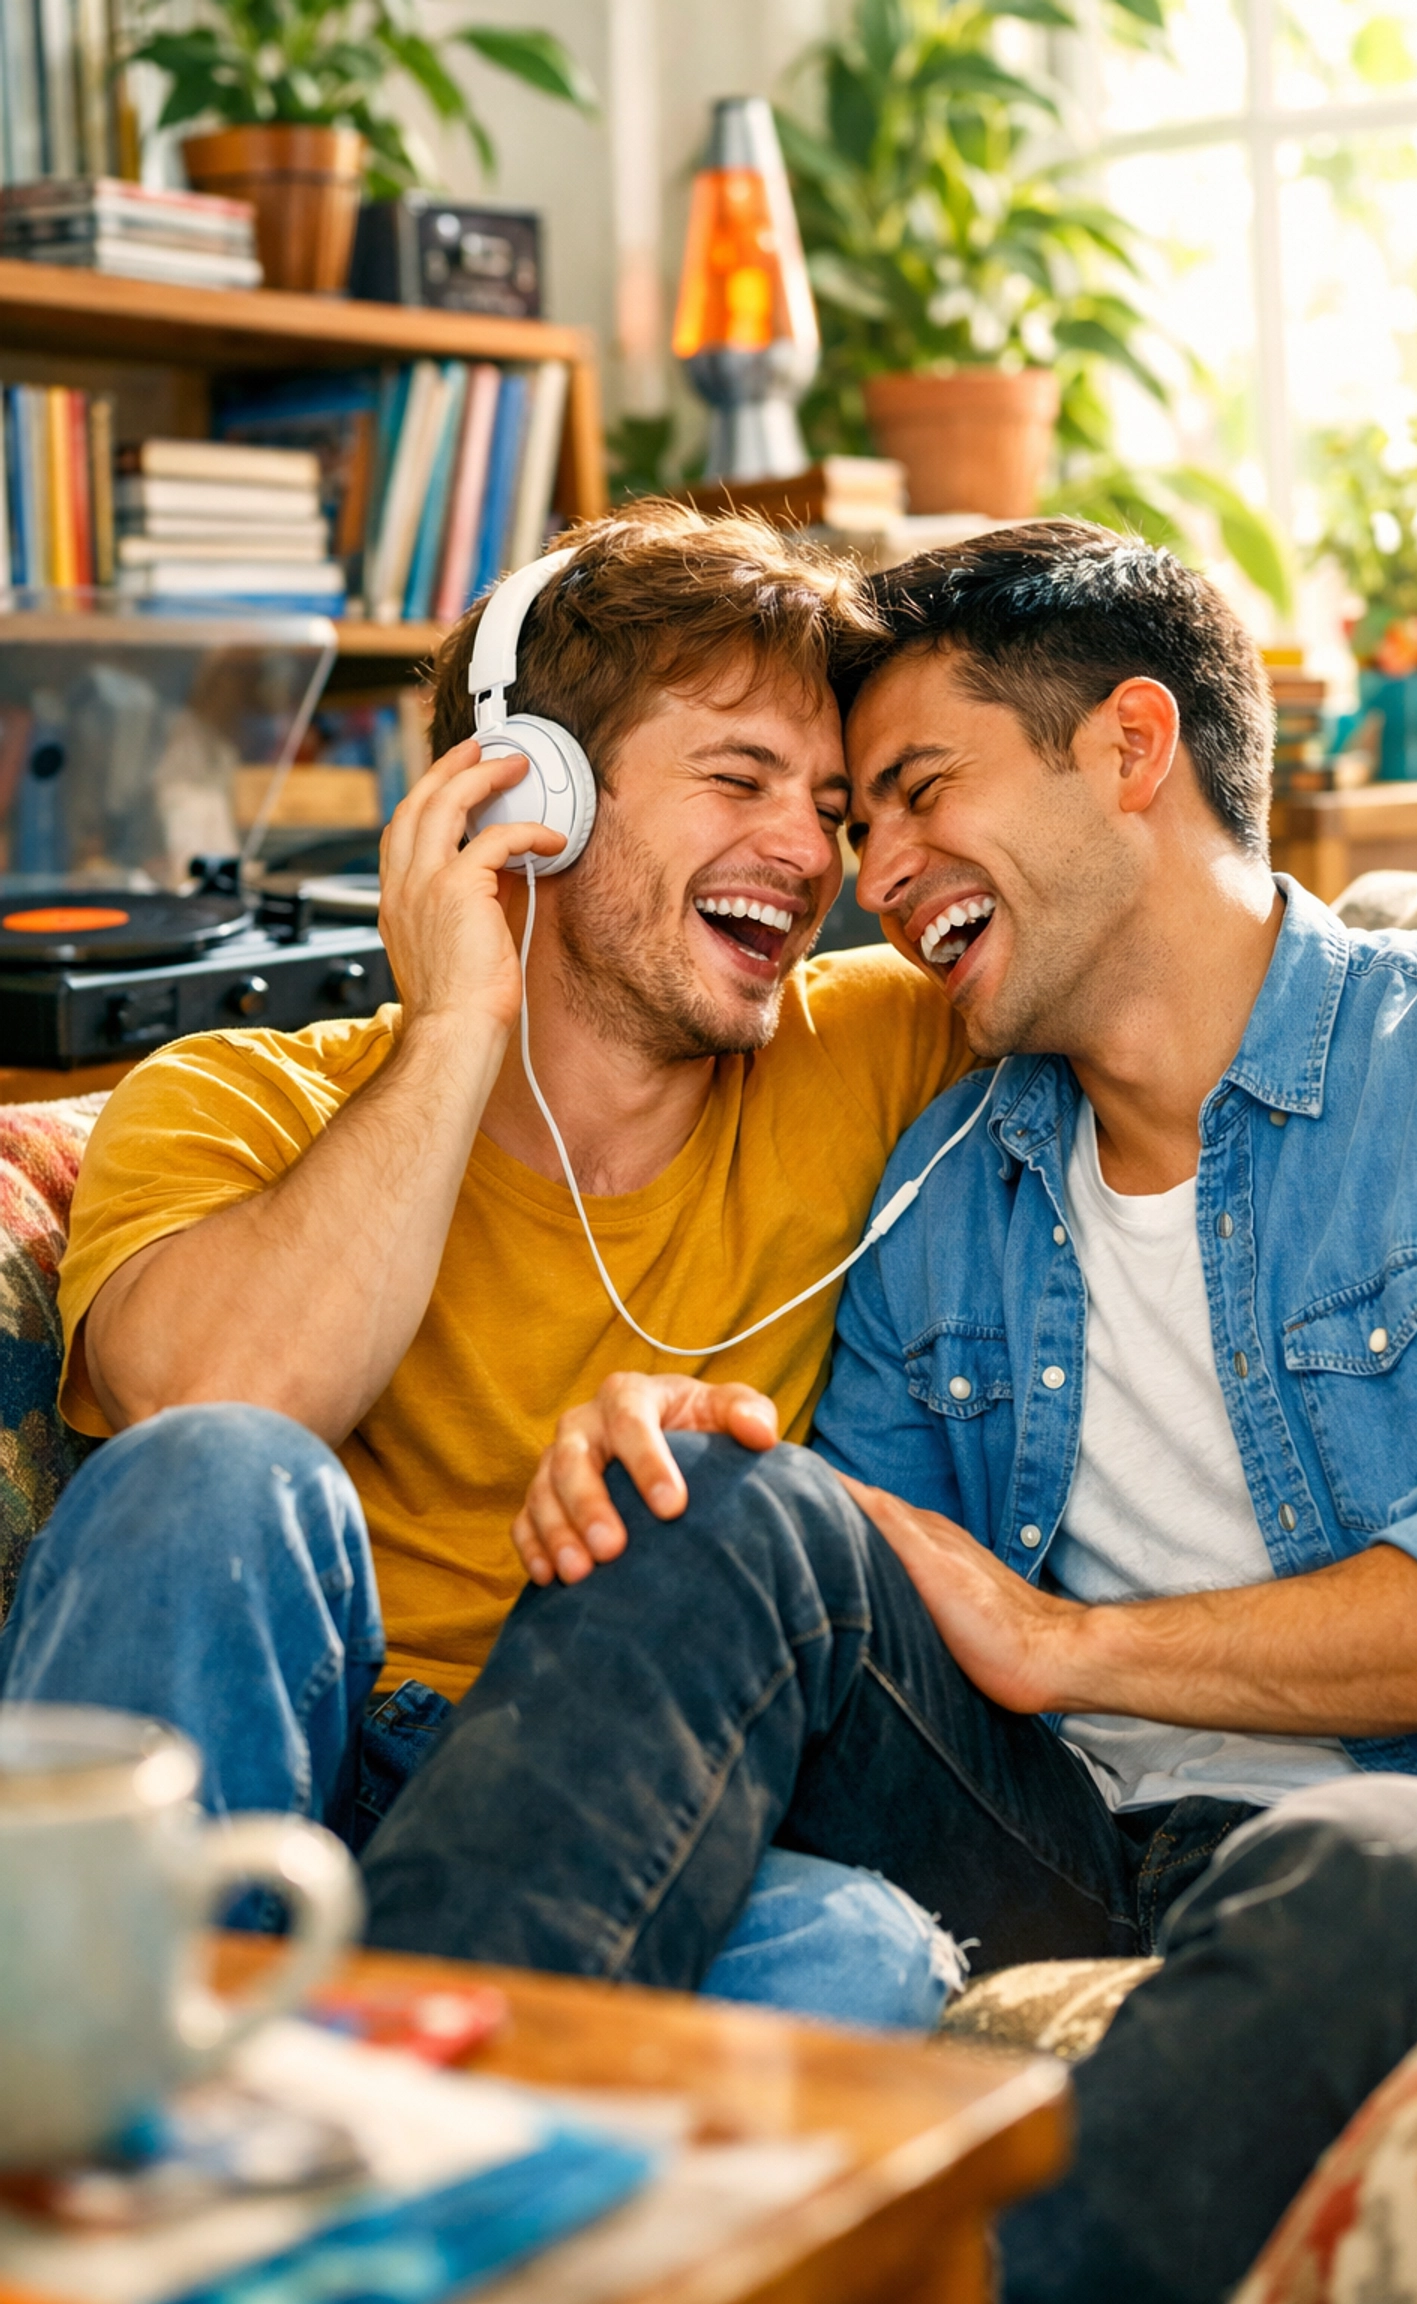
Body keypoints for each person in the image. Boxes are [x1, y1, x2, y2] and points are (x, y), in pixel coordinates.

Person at [358, 520, 1417, 2303]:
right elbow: (863, 1631)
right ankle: (351, 2201)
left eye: (913, 793)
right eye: (857, 826)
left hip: (1416, 1830)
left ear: (1131, 751)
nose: (872, 874)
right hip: (1058, 1838)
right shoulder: (951, 1179)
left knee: (1381, 1856)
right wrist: (688, 1472)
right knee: (700, 1484)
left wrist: (1065, 1643)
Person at [0, 501, 978, 2026]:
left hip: (619, 1788)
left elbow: (1121, 932)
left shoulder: (878, 1038)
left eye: (833, 808)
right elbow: (230, 1400)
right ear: (537, 794)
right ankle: (127, 2091)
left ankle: (329, 2105)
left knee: (852, 1950)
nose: (808, 855)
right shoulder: (233, 1098)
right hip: (294, 1767)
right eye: (740, 779)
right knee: (210, 1474)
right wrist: (459, 1024)